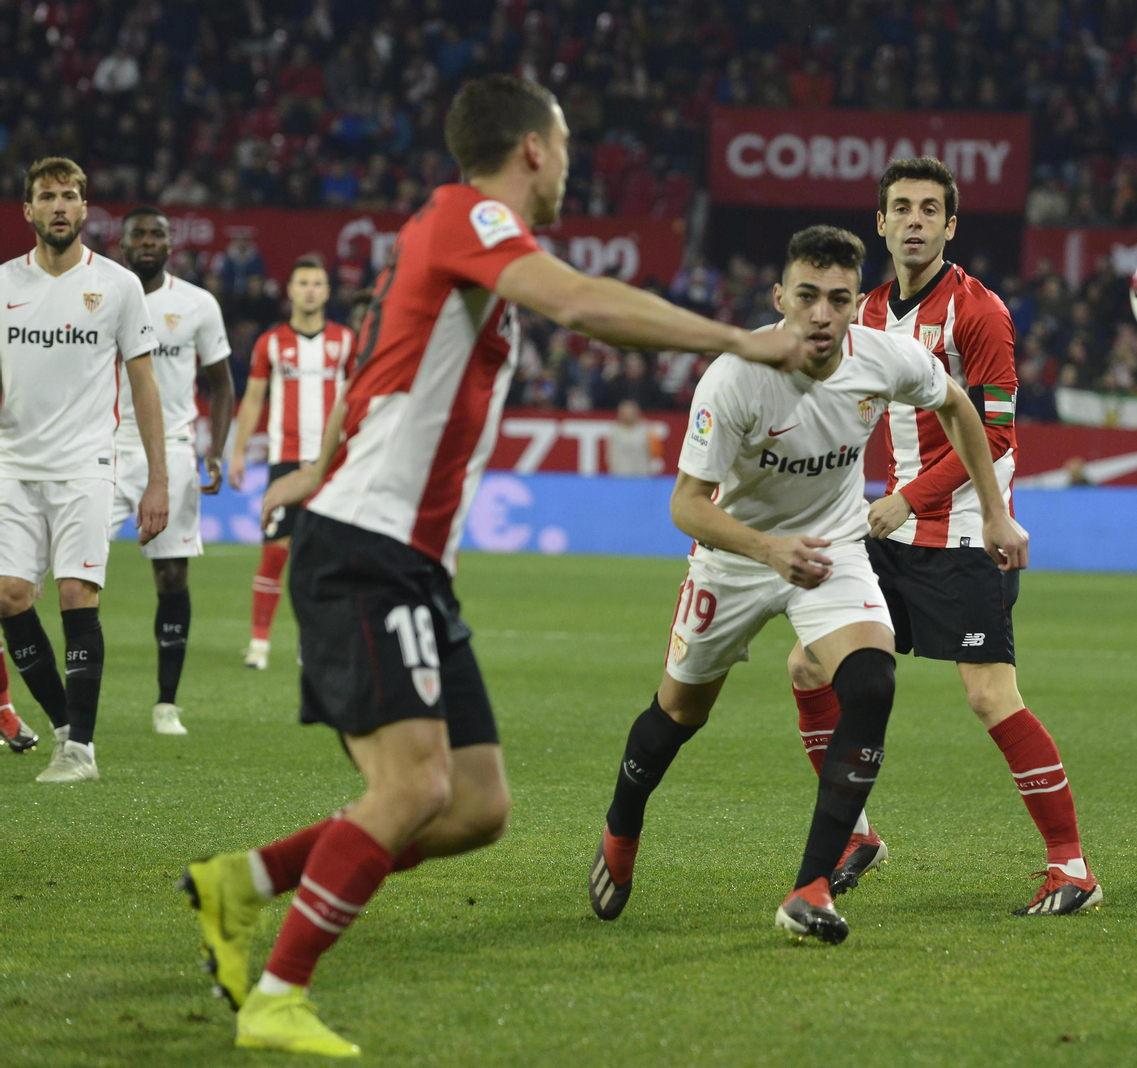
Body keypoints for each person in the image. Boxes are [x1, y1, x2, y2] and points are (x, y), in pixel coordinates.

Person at [178, 74, 804, 1057]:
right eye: (565, 143)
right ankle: (277, 994)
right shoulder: (468, 216)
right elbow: (579, 304)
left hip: (411, 560)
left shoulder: (444, 240)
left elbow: (374, 367)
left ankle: (241, 885)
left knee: (473, 809)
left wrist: (317, 460)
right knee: (412, 791)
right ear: (533, 151)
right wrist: (734, 339)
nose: (571, 163)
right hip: (367, 550)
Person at [586, 225, 1028, 944]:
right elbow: (686, 506)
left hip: (830, 548)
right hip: (735, 558)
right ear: (779, 298)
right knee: (679, 716)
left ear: (858, 304)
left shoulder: (884, 356)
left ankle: (812, 887)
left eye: (839, 299)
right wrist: (768, 549)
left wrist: (998, 515)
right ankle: (621, 829)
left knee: (872, 683)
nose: (822, 313)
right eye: (807, 296)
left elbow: (958, 406)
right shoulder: (734, 376)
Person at [784, 158, 1101, 917]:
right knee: (806, 667)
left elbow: (994, 436)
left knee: (990, 696)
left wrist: (908, 498)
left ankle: (1073, 870)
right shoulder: (861, 312)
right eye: (902, 208)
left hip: (961, 531)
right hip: (885, 531)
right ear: (882, 223)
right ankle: (856, 835)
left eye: (931, 209)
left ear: (951, 226)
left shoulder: (979, 312)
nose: (916, 219)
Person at [0, 157, 168, 783]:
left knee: (76, 593)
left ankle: (81, 751)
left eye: (71, 196)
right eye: (48, 197)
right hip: (13, 464)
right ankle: (67, 726)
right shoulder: (3, 286)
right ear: (29, 210)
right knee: (9, 596)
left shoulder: (118, 286)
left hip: (85, 465)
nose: (61, 206)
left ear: (84, 208)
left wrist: (158, 479)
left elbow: (144, 384)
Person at [110, 206, 235, 735]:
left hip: (176, 450)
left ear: (169, 243)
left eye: (155, 234)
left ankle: (166, 704)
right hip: (106, 447)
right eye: (137, 233)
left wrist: (217, 451)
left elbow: (222, 384)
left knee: (172, 575)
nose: (146, 241)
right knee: (71, 572)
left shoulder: (197, 304)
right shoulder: (102, 295)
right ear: (122, 242)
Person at [227, 256, 356, 671]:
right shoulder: (271, 342)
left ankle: (311, 642)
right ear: (291, 290)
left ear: (327, 291)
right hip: (285, 461)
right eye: (303, 282)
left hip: (333, 463)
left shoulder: (346, 341)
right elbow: (253, 398)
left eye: (318, 283)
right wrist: (237, 450)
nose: (310, 290)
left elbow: (357, 398)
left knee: (325, 558)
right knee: (275, 552)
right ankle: (259, 644)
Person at [605, 398, 661, 476]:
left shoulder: (647, 430)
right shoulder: (614, 431)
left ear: (637, 413)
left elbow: (654, 453)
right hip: (619, 477)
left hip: (641, 477)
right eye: (625, 413)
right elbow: (610, 455)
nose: (628, 416)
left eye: (631, 412)